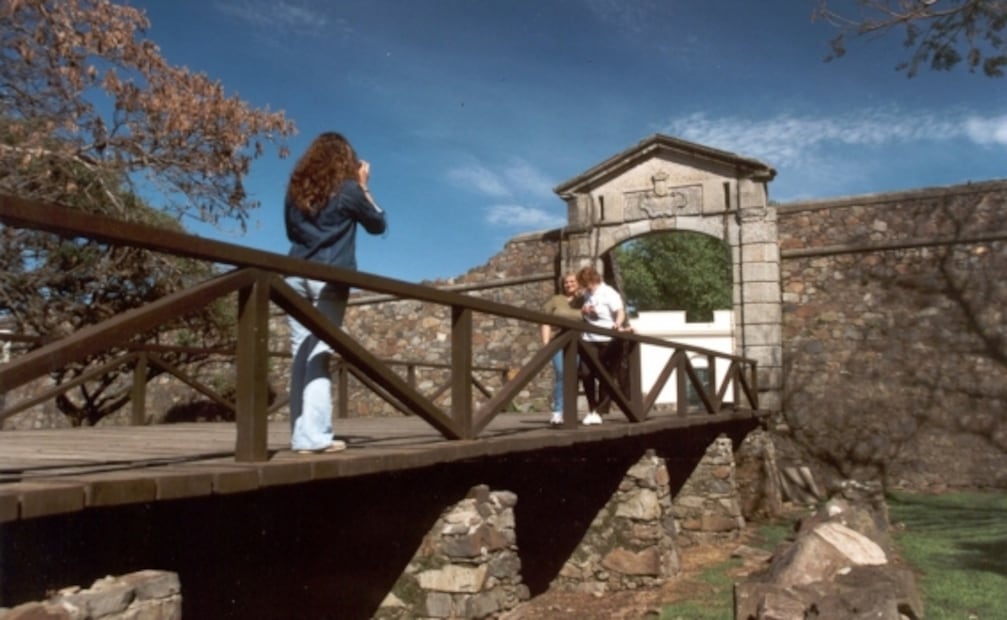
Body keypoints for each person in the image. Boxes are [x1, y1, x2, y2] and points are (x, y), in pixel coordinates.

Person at [284, 132, 387, 454]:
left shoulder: (295, 191)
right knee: (319, 354)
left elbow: (291, 231)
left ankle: (302, 435)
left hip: (293, 273)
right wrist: (364, 183)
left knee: (301, 353)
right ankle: (314, 438)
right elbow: (378, 224)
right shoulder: (349, 190)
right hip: (326, 278)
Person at [576, 266, 628, 425]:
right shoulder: (587, 293)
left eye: (586, 284)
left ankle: (599, 411)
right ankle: (591, 409)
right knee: (586, 373)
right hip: (589, 338)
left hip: (607, 339)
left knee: (606, 376)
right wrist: (585, 311)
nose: (586, 288)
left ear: (593, 280)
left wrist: (617, 324)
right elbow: (584, 310)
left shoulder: (609, 293)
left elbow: (620, 311)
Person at [540, 272, 583, 426]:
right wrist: (546, 343)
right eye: (566, 282)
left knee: (573, 376)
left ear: (578, 282)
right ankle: (558, 411)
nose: (569, 284)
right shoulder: (556, 299)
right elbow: (545, 319)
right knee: (561, 373)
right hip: (558, 341)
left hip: (578, 343)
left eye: (572, 281)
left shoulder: (584, 300)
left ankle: (569, 412)